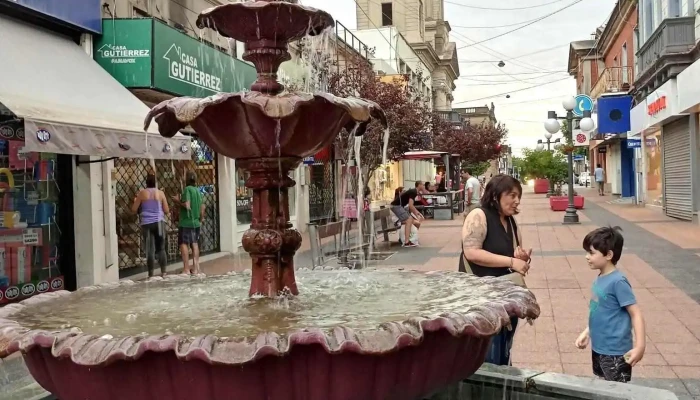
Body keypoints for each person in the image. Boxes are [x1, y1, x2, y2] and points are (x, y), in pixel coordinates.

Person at [460, 174, 532, 365]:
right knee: (486, 356)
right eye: (512, 195)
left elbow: (515, 259)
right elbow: (471, 252)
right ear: (495, 195)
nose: (517, 201)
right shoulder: (479, 215)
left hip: (506, 299)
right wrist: (511, 261)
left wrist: (521, 259)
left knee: (503, 351)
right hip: (481, 301)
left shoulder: (511, 222)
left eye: (519, 196)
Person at [575, 226, 645, 383]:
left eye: (591, 253)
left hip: (615, 351)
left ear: (608, 255)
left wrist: (640, 347)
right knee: (603, 386)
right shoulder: (600, 277)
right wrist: (587, 332)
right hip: (599, 347)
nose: (587, 257)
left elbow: (636, 313)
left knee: (616, 391)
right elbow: (598, 311)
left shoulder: (618, 281)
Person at [131, 173, 170, 278]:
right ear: (155, 183)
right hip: (160, 223)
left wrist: (136, 202)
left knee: (150, 249)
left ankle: (151, 274)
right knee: (161, 248)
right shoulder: (161, 193)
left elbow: (134, 209)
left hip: (147, 224)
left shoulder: (142, 193)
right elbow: (166, 210)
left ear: (146, 183)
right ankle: (164, 272)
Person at [172, 171, 205, 275]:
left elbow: (187, 205)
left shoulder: (187, 190)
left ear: (186, 180)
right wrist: (200, 219)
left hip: (186, 222)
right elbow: (202, 207)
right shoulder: (198, 191)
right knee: (194, 243)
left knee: (183, 244)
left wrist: (177, 201)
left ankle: (186, 269)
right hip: (196, 222)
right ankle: (196, 269)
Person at [390, 182, 425, 247]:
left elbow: (410, 207)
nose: (424, 186)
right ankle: (407, 241)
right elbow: (411, 205)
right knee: (409, 220)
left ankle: (412, 238)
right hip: (396, 206)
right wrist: (417, 215)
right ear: (419, 185)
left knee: (415, 222)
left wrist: (418, 213)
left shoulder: (414, 192)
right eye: (423, 185)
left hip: (398, 206)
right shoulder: (413, 192)